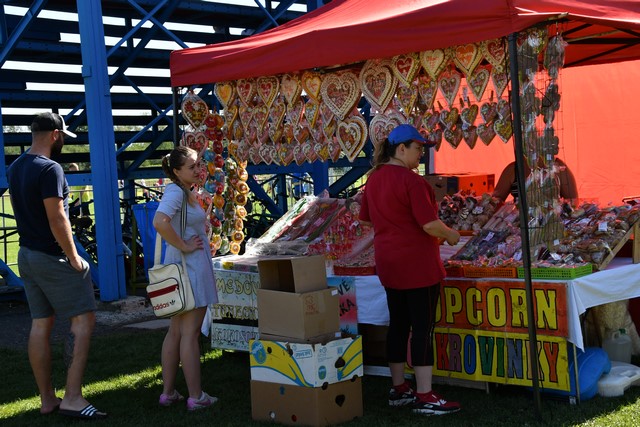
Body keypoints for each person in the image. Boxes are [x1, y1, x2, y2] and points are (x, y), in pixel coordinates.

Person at [7, 112, 107, 420]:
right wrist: (74, 257)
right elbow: (57, 217)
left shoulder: (16, 166)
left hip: (27, 255)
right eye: (62, 136)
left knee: (40, 323)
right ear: (54, 135)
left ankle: (48, 399)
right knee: (83, 321)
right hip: (52, 257)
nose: (62, 141)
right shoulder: (50, 168)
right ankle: (73, 398)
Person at [358, 124, 462, 416]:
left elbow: (365, 220)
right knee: (421, 329)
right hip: (418, 266)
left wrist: (392, 224)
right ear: (401, 148)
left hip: (389, 263)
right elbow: (429, 225)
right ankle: (425, 394)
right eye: (417, 148)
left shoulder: (374, 179)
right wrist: (451, 234)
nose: (421, 154)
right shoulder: (413, 182)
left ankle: (399, 388)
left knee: (398, 326)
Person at [152, 146, 218, 411]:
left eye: (198, 164)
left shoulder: (183, 192)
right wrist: (185, 245)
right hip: (189, 269)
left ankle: (168, 393)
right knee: (189, 334)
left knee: (177, 332)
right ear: (177, 171)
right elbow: (160, 222)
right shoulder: (176, 192)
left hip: (181, 268)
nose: (198, 169)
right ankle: (196, 396)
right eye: (192, 166)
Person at [493, 158, 578, 204]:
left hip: (552, 225)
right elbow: (495, 201)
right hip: (520, 225)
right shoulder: (513, 169)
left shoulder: (559, 167)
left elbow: (573, 202)